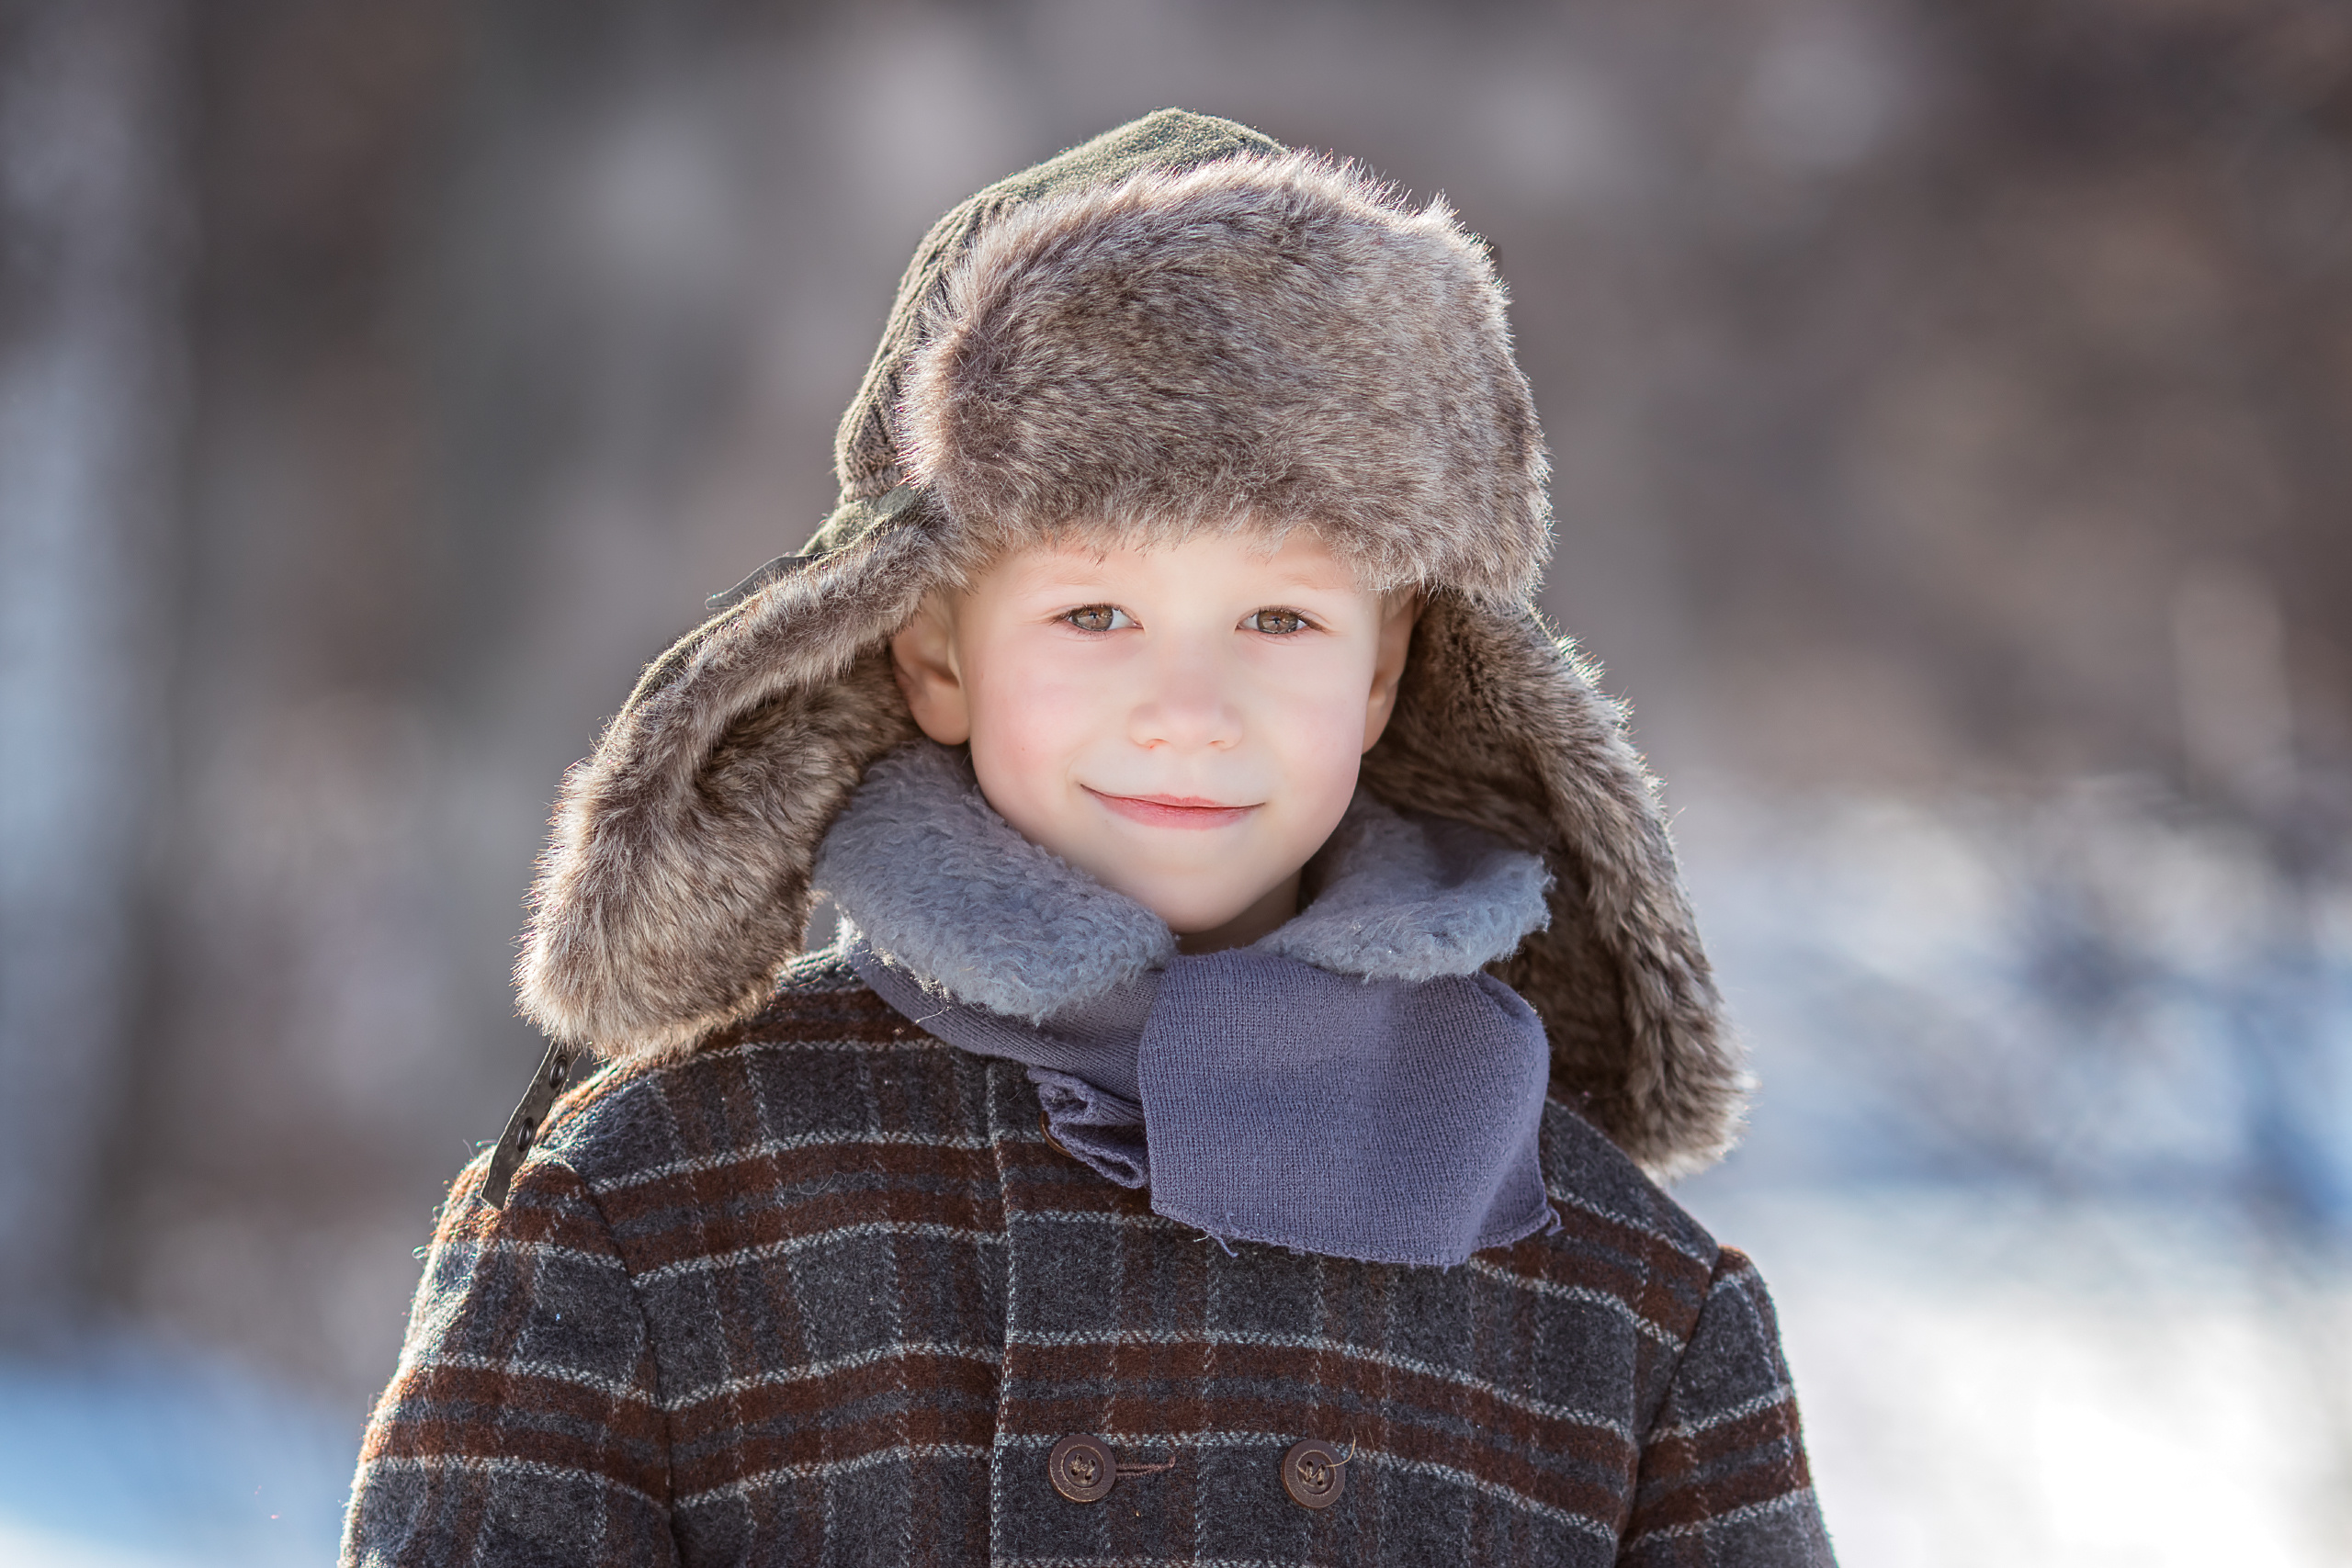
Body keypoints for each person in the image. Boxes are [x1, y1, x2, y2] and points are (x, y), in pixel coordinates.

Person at [342, 108, 1835, 1566]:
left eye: (1280, 618)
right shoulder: (656, 1199)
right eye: (1096, 614)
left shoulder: (1630, 1302)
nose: (1189, 709)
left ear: (1385, 673)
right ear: (931, 650)